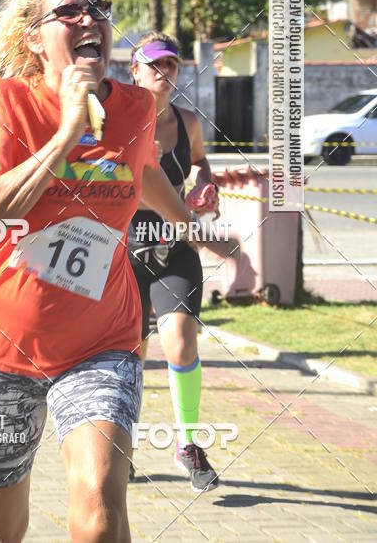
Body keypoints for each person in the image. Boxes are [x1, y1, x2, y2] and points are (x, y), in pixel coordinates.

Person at [0, 0, 202, 543]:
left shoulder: (136, 108)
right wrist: (65, 136)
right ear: (36, 38)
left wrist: (192, 226)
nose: (89, 19)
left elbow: (141, 169)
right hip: (1, 347)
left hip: (101, 342)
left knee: (102, 511)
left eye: (98, 9)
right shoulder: (4, 103)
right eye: (68, 11)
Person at [127, 31, 236, 492]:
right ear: (134, 70)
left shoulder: (188, 121)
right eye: (154, 64)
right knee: (130, 355)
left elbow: (200, 162)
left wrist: (204, 186)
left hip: (176, 247)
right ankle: (122, 446)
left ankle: (188, 444)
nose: (163, 71)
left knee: (182, 345)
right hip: (124, 248)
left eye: (170, 64)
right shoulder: (114, 119)